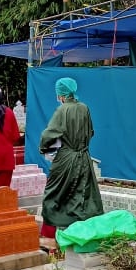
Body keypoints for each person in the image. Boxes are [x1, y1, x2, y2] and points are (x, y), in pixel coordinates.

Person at [39, 77, 103, 238]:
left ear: (60, 95)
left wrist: (45, 148)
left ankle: (49, 237)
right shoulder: (84, 108)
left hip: (66, 159)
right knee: (82, 196)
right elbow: (91, 132)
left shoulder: (62, 110)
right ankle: (81, 234)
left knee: (54, 195)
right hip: (84, 158)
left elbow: (49, 134)